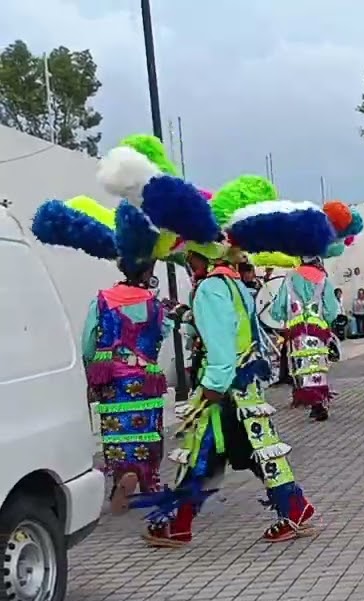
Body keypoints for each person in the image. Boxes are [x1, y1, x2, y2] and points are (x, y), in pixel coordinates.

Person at [136, 171, 332, 544]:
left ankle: (183, 524)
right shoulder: (233, 283)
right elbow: (239, 328)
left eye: (190, 256)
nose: (188, 262)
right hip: (244, 387)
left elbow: (221, 344)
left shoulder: (210, 287)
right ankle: (186, 523)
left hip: (224, 389)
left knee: (208, 452)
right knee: (230, 454)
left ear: (199, 257)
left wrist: (210, 388)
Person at [29, 138, 220, 522]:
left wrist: (90, 369)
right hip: (145, 376)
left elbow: (89, 340)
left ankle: (121, 474)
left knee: (116, 430)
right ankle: (147, 479)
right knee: (147, 430)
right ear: (149, 271)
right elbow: (163, 335)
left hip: (113, 378)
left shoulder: (101, 299)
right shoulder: (154, 305)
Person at [269, 255, 340, 420]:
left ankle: (309, 399)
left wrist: (281, 317)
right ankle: (318, 402)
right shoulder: (323, 279)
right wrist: (328, 320)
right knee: (316, 364)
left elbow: (278, 308)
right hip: (317, 330)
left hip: (297, 330)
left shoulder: (290, 278)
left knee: (300, 365)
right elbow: (331, 309)